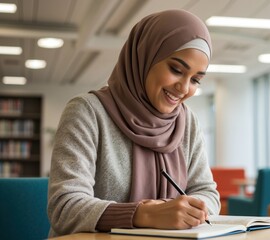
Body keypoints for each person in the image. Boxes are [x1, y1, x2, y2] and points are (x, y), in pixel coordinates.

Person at [47, 9, 220, 237]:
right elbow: (64, 207)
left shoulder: (187, 122)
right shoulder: (87, 111)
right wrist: (146, 215)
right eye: (176, 70)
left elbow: (207, 193)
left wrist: (184, 211)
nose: (184, 88)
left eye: (196, 79)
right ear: (145, 56)